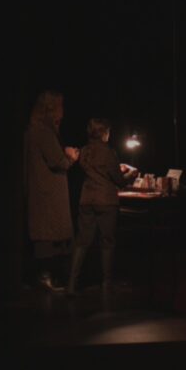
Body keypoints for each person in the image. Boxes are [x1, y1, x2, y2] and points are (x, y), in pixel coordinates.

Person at [67, 118, 138, 295]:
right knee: (107, 242)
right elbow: (119, 180)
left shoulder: (84, 151)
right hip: (106, 201)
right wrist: (131, 174)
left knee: (82, 241)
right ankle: (106, 283)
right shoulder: (108, 152)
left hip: (87, 199)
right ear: (104, 133)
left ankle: (71, 284)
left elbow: (95, 170)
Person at [24, 90, 79, 292]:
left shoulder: (34, 130)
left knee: (48, 235)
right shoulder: (43, 132)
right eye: (60, 107)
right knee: (49, 237)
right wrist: (71, 156)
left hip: (43, 191)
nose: (62, 111)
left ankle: (47, 277)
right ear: (51, 109)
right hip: (48, 193)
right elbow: (58, 162)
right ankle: (45, 278)